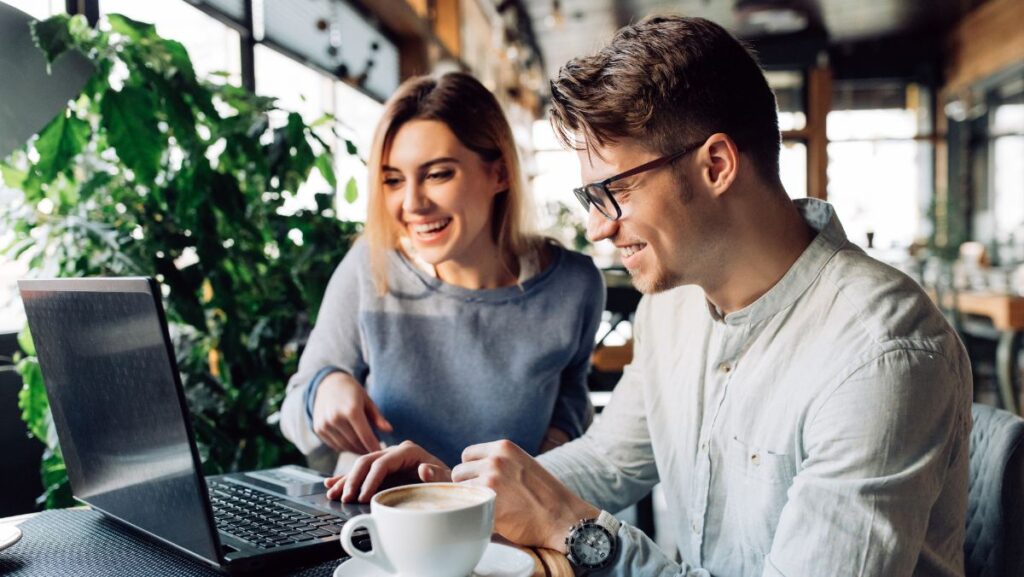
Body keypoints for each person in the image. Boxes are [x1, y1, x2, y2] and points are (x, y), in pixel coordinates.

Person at [325, 16, 971, 577]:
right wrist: (451, 492)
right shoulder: (674, 301)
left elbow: (580, 511)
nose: (598, 227)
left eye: (615, 192)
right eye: (590, 199)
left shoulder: (880, 356)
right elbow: (611, 459)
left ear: (716, 165)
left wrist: (576, 530)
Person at [280, 72, 604, 473]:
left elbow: (571, 395)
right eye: (393, 180)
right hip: (380, 520)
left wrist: (546, 457)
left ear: (499, 174)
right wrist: (323, 389)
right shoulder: (371, 265)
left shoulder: (574, 285)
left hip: (503, 525)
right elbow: (294, 409)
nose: (412, 203)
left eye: (437, 174)